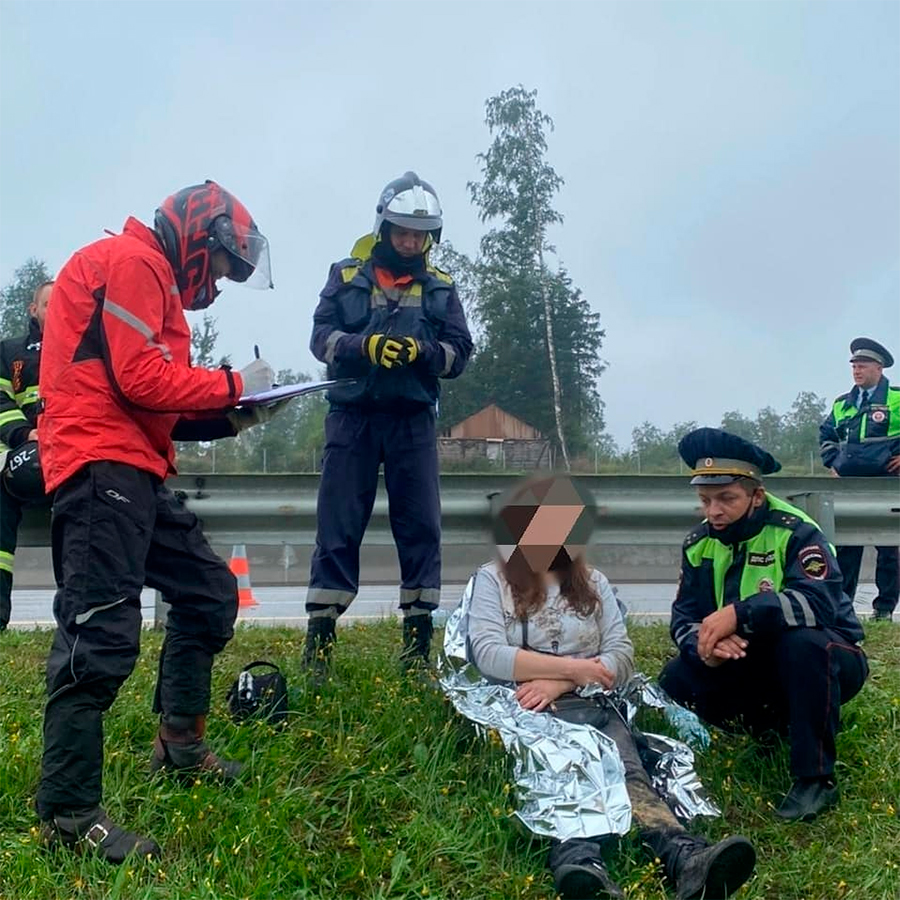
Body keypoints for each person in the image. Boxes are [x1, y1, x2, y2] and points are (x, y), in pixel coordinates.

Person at [35, 180, 281, 862]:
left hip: (133, 466)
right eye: (226, 268)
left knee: (206, 592)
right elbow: (142, 379)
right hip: (99, 466)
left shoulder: (147, 275)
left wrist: (239, 413)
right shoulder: (134, 263)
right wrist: (236, 386)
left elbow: (153, 399)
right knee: (100, 635)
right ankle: (66, 811)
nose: (223, 283)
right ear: (201, 240)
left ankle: (180, 745)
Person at [466, 475, 756, 900]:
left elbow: (620, 657)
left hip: (594, 703)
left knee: (628, 770)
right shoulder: (493, 581)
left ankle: (687, 860)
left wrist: (562, 677)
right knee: (562, 774)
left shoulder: (594, 584)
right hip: (524, 709)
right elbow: (488, 653)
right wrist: (572, 669)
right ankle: (580, 866)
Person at [304, 171, 472, 675]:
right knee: (337, 527)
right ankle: (320, 644)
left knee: (421, 528)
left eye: (419, 235)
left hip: (412, 421)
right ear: (383, 228)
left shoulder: (441, 289)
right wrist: (363, 347)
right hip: (351, 417)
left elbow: (460, 354)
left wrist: (423, 352)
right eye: (402, 232)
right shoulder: (346, 274)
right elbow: (319, 339)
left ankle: (417, 644)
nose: (410, 241)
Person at [659, 428, 869, 822]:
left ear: (756, 495)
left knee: (804, 646)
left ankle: (815, 778)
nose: (714, 511)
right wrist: (705, 646)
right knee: (676, 676)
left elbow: (818, 604)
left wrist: (740, 613)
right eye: (705, 500)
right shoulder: (698, 542)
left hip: (826, 657)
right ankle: (768, 727)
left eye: (726, 499)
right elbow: (684, 617)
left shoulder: (798, 531)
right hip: (748, 658)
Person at [819, 337, 900, 621]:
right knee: (846, 549)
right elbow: (827, 435)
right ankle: (843, 608)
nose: (857, 370)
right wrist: (834, 462)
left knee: (889, 550)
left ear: (879, 368)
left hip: (886, 484)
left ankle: (884, 610)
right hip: (849, 486)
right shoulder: (843, 403)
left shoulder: (896, 399)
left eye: (863, 365)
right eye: (854, 365)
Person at [0, 280, 52, 630]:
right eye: (49, 304)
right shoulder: (9, 351)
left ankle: (80, 627)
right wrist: (24, 434)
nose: (57, 310)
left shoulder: (90, 348)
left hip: (72, 456)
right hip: (19, 455)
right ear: (34, 310)